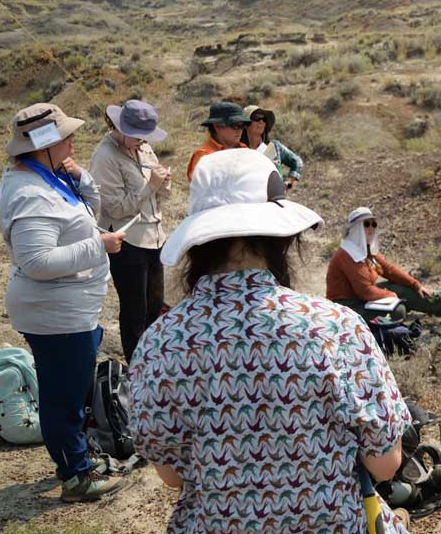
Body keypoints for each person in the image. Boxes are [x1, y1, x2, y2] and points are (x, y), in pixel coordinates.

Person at [128, 149, 413, 533]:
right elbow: (385, 463)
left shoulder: (160, 342)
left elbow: (173, 477)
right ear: (280, 239)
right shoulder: (336, 327)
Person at [0, 103, 129, 502]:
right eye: (66, 136)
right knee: (63, 400)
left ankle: (75, 462)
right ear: (44, 144)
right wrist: (99, 246)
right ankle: (76, 477)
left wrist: (81, 178)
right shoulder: (30, 192)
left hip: (68, 311)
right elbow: (37, 262)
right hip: (56, 315)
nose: (74, 140)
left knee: (68, 393)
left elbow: (86, 212)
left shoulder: (45, 177)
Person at [87, 100, 171, 363]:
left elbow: (160, 196)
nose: (143, 141)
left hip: (155, 237)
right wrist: (151, 186)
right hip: (128, 241)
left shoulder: (143, 148)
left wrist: (164, 183)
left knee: (155, 307)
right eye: (138, 136)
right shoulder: (105, 156)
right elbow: (114, 208)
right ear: (119, 128)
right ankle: (137, 366)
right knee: (135, 310)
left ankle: (153, 362)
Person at [327, 206, 441, 320]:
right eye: (366, 224)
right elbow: (365, 292)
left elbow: (389, 270)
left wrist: (415, 284)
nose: (371, 228)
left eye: (374, 224)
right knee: (398, 311)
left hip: (363, 298)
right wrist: (390, 295)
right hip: (348, 306)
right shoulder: (347, 254)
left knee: (405, 289)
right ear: (355, 229)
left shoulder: (365, 250)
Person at [240, 104, 305, 189]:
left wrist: (289, 183)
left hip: (273, 198)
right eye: (256, 118)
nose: (261, 122)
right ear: (245, 124)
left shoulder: (274, 147)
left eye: (264, 119)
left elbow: (297, 162)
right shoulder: (238, 149)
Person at [186, 101, 248, 181]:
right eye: (235, 126)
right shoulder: (204, 156)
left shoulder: (244, 149)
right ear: (217, 126)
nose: (239, 130)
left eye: (242, 125)